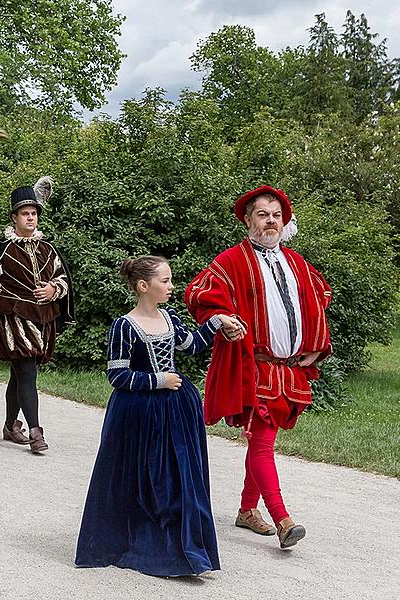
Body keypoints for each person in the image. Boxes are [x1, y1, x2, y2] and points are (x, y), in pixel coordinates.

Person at [76, 256, 245, 576]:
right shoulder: (124, 326)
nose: (171, 286)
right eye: (164, 281)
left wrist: (218, 320)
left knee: (178, 478)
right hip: (137, 413)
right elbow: (117, 376)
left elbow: (191, 345)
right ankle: (139, 541)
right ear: (144, 286)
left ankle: (183, 550)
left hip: (175, 410)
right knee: (144, 478)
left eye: (170, 280)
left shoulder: (169, 317)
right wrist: (159, 380)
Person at [185, 185, 332, 549]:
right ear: (248, 220)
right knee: (263, 440)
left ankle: (247, 510)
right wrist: (221, 316)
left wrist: (316, 346)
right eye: (263, 214)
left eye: (276, 215)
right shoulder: (232, 260)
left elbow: (320, 297)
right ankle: (283, 519)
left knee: (265, 440)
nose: (270, 221)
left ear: (285, 222)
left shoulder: (296, 263)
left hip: (290, 369)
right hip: (254, 366)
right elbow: (199, 293)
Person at [0, 177, 74, 453]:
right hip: (12, 319)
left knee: (21, 373)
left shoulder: (48, 249)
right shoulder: (3, 249)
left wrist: (53, 289)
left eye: (34, 213)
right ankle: (36, 432)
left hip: (42, 318)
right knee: (27, 372)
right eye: (25, 214)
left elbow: (63, 279)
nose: (31, 218)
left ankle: (11, 425)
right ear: (14, 217)